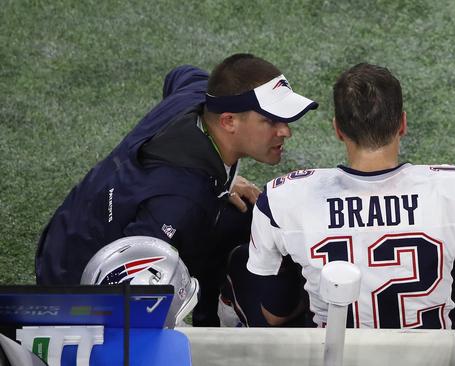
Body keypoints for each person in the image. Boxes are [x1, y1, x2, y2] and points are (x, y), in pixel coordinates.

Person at [35, 53, 318, 326]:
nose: (285, 131)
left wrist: (226, 182)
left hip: (69, 229)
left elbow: (180, 74)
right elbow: (134, 287)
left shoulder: (197, 96)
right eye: (270, 121)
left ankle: (212, 320)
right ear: (229, 121)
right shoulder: (180, 202)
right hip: (74, 283)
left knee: (247, 216)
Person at [234, 63, 455, 329]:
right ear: (402, 124)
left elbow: (275, 313)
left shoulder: (281, 198)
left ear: (338, 130)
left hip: (334, 355)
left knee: (239, 260)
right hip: (430, 355)